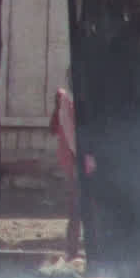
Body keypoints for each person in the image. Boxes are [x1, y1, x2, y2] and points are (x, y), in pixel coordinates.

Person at [48, 84, 90, 259]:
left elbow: (56, 131)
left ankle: (73, 249)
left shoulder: (66, 103)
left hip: (74, 162)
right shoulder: (67, 103)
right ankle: (74, 250)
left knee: (76, 208)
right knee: (79, 207)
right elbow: (72, 138)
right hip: (77, 163)